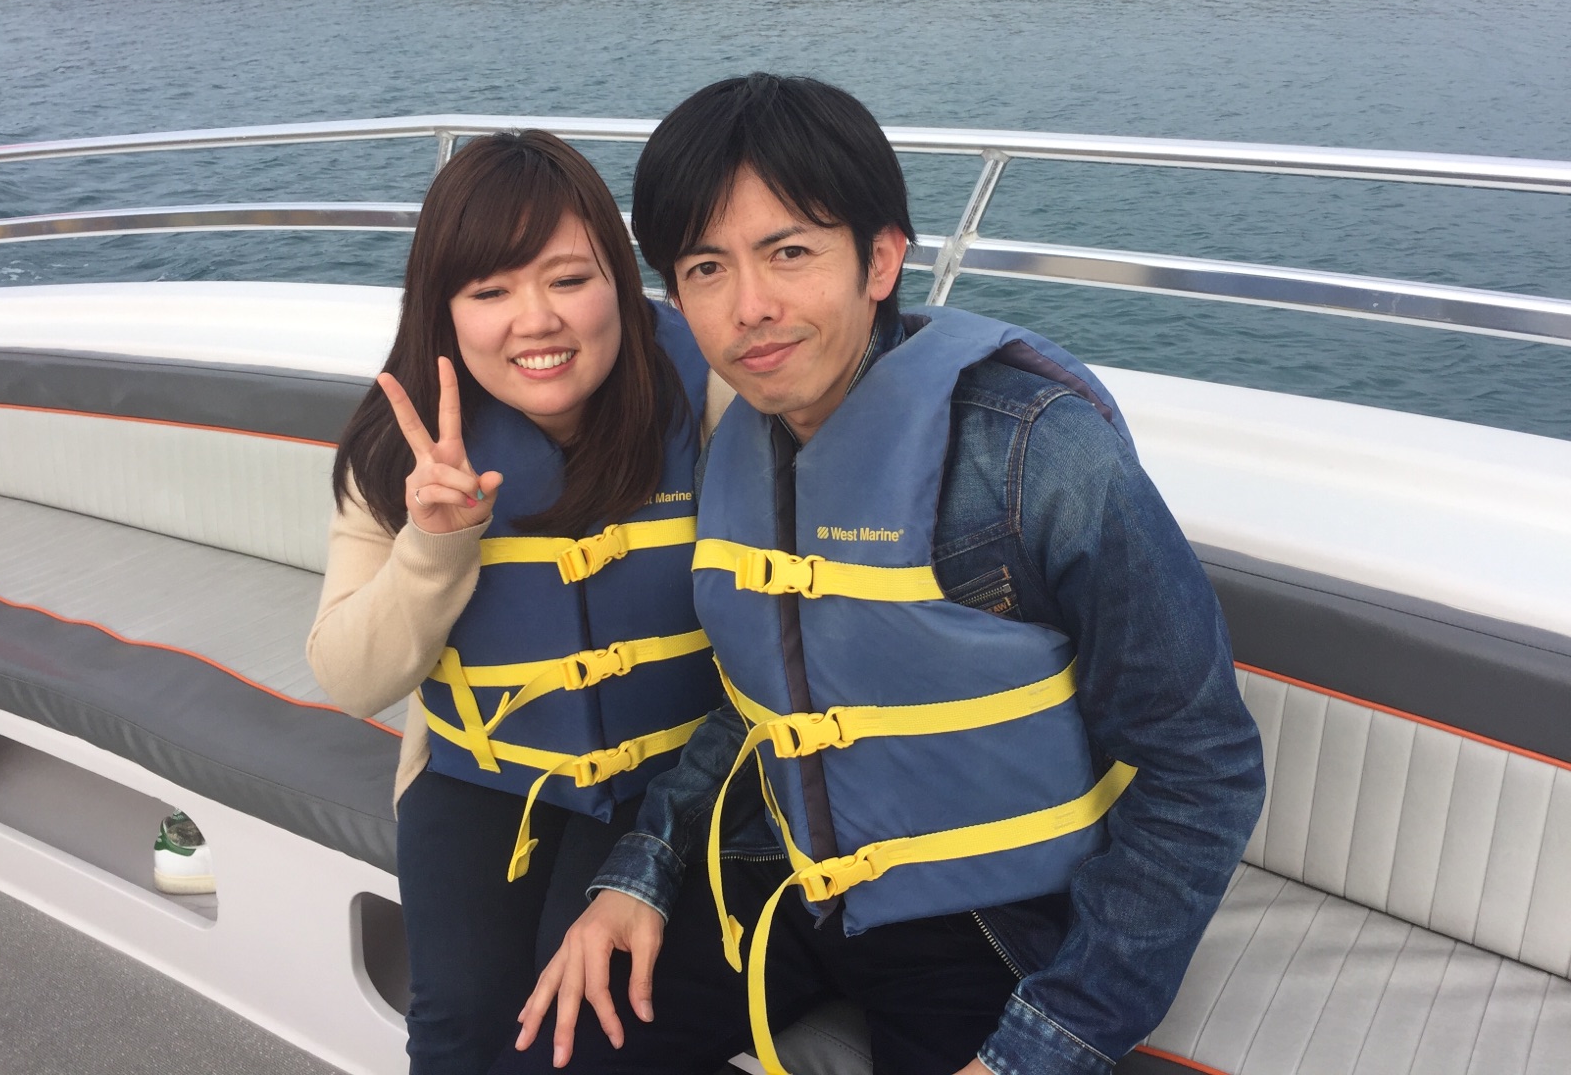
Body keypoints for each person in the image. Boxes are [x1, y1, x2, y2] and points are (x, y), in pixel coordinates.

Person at [508, 76, 1267, 1075]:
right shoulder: (741, 445)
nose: (750, 308)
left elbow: (1200, 766)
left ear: (880, 258)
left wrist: (1047, 1043)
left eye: (789, 252)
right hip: (785, 873)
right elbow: (765, 703)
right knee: (553, 1049)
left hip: (989, 918)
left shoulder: (1035, 456)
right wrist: (643, 868)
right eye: (706, 268)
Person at [306, 131, 727, 1075]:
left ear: (619, 279)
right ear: (443, 309)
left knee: (570, 1036)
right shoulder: (397, 444)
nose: (536, 321)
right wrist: (433, 544)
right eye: (489, 292)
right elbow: (349, 678)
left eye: (569, 280)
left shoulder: (710, 398)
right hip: (480, 775)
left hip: (672, 777)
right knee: (455, 1032)